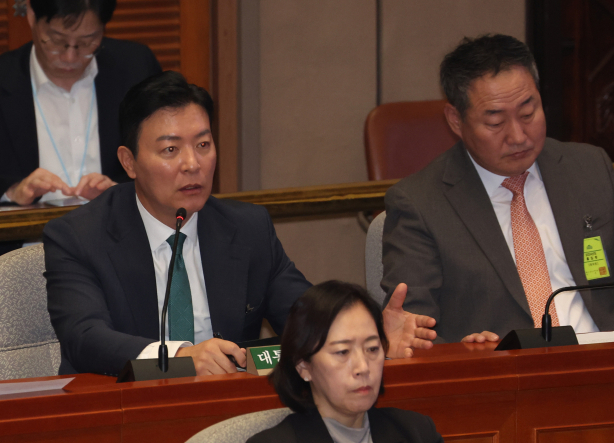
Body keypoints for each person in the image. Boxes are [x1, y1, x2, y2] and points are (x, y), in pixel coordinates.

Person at [44, 71, 436, 377]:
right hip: (125, 412)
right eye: (170, 149)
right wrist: (180, 358)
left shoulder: (247, 228)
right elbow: (86, 338)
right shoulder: (79, 237)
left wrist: (371, 337)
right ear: (129, 162)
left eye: (203, 144)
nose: (192, 164)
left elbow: (303, 313)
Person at [381, 34, 614, 344]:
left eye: (528, 114)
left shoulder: (590, 169)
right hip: (502, 369)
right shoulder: (419, 204)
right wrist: (463, 355)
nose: (518, 136)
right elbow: (415, 331)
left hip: (606, 360)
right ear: (455, 120)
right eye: (495, 122)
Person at [0, 0, 161, 234]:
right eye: (56, 41)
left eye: (87, 43)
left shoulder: (136, 68)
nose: (70, 56)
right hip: (23, 248)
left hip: (120, 240)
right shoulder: (4, 77)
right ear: (32, 15)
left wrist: (121, 193)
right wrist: (11, 192)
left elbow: (164, 164)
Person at [248, 281, 443, 443]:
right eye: (342, 352)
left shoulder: (417, 433)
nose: (363, 367)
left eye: (372, 349)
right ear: (303, 366)